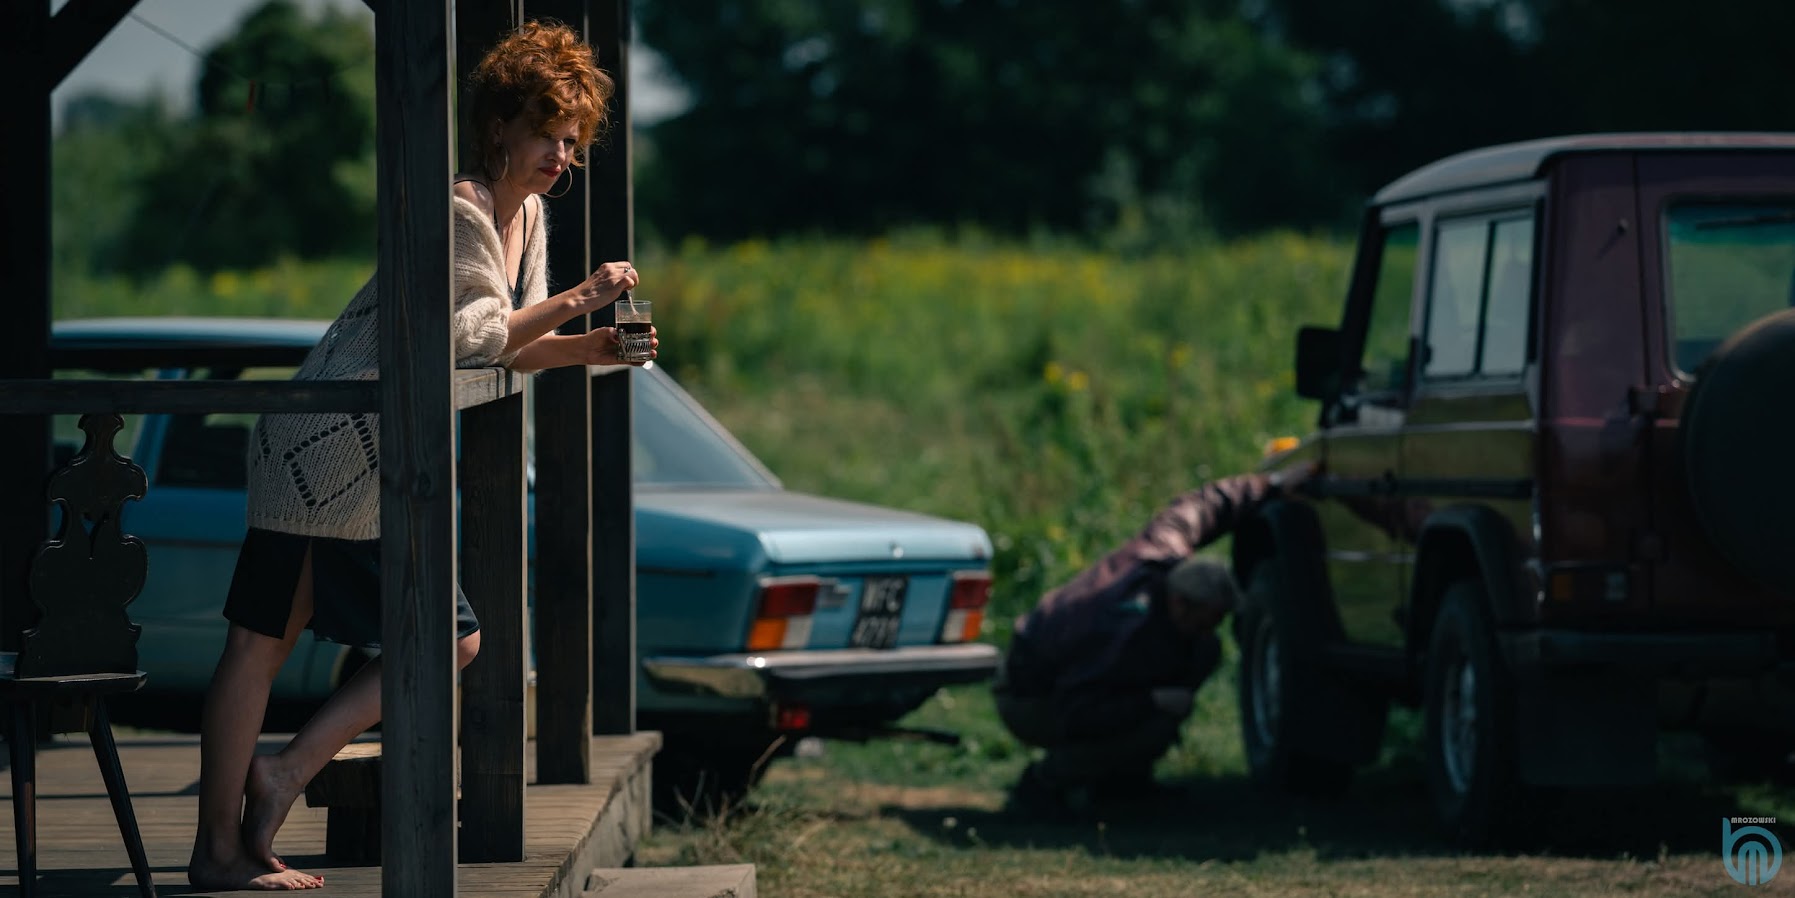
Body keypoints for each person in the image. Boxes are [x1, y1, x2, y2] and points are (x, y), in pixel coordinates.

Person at [186, 21, 649, 891]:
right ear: (499, 126)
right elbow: (474, 335)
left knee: (445, 640)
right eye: (546, 132)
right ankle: (219, 850)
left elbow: (510, 344)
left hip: (378, 449)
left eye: (571, 139)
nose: (560, 154)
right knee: (262, 645)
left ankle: (281, 775)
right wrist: (585, 296)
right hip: (323, 443)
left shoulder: (529, 215)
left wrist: (589, 348)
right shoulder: (462, 208)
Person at [994, 465, 1314, 813]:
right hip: (1030, 695)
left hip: (1077, 683)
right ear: (1180, 604)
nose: (1212, 628)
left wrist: (1273, 485)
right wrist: (1149, 702)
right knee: (1155, 721)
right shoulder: (1124, 630)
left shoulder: (1161, 550)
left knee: (1202, 655)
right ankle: (1046, 782)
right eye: (1207, 619)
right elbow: (1079, 710)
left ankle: (1124, 782)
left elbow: (1206, 506)